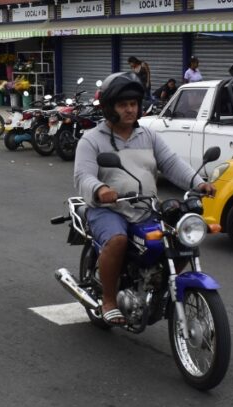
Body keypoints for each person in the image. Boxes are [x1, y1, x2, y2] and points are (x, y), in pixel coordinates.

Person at [74, 72, 215, 326]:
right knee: (117, 240)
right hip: (109, 209)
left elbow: (171, 163)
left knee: (180, 238)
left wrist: (199, 182)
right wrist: (100, 189)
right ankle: (108, 300)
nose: (130, 110)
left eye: (133, 104)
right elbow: (83, 175)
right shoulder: (92, 139)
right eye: (123, 105)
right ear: (109, 108)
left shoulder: (148, 136)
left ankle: (159, 286)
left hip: (146, 206)